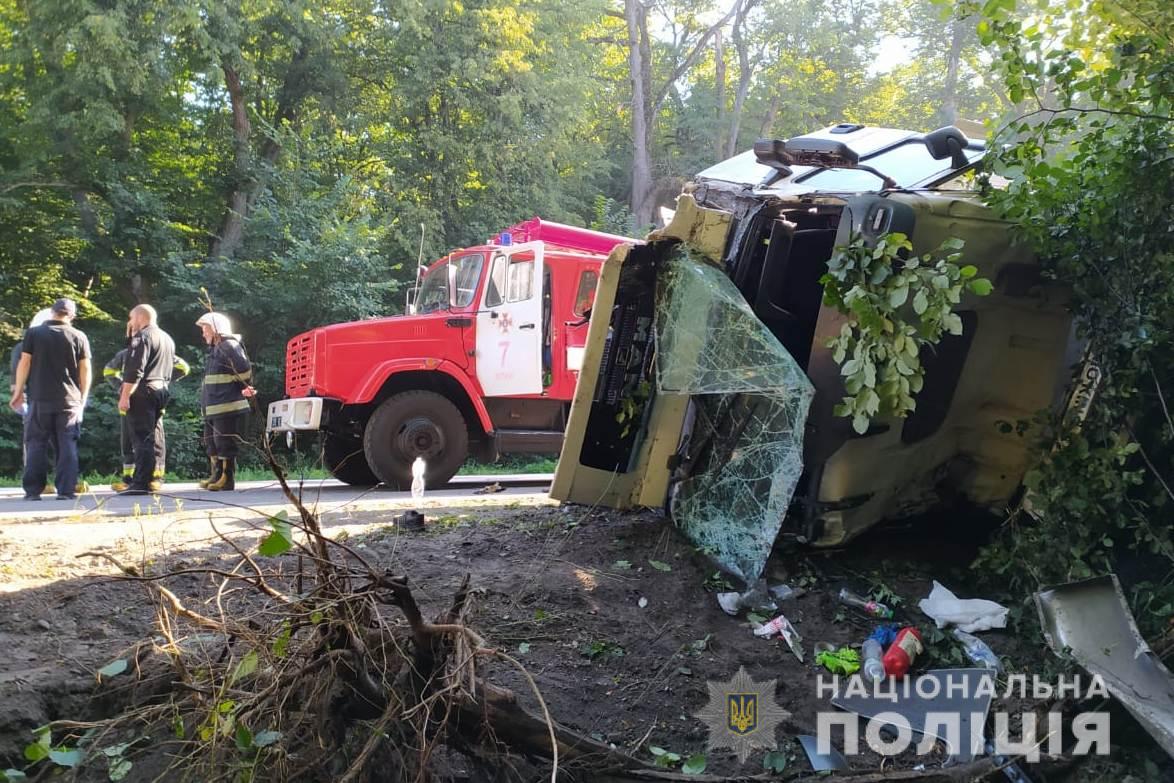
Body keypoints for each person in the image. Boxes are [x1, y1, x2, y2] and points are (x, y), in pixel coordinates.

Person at [8, 298, 91, 500]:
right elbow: (85, 369)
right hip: (69, 400)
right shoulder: (79, 336)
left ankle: (33, 491)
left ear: (52, 312)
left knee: (36, 443)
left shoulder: (34, 334)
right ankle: (65, 490)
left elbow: (24, 363)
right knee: (67, 444)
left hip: (39, 399)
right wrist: (83, 398)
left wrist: (18, 392)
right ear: (71, 316)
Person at [105, 329, 190, 492]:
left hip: (146, 401)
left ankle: (155, 477)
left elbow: (183, 368)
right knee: (129, 443)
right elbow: (108, 371)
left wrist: (163, 379)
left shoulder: (154, 353)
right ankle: (129, 478)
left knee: (154, 440)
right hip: (129, 404)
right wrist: (121, 388)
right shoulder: (123, 355)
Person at [116, 305, 177, 496]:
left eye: (131, 318)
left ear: (140, 317)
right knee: (152, 436)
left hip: (144, 391)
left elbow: (135, 370)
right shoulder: (166, 338)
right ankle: (152, 478)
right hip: (161, 390)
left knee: (141, 438)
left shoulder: (142, 337)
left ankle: (140, 482)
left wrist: (125, 396)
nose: (130, 322)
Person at [196, 312, 254, 491]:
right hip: (214, 406)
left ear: (216, 329)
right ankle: (217, 474)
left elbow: (244, 371)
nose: (203, 333)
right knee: (211, 442)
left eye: (205, 329)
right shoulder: (216, 348)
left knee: (224, 443)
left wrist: (242, 386)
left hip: (227, 405)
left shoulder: (229, 346)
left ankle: (227, 479)